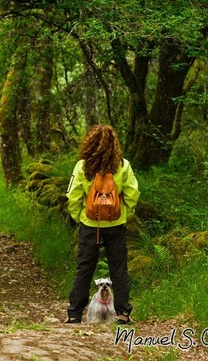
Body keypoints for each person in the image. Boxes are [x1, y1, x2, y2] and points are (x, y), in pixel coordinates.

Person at [65, 124, 140, 324]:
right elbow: (132, 194)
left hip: (90, 224)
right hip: (116, 225)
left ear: (89, 144)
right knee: (119, 268)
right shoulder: (123, 166)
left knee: (84, 267)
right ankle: (123, 313)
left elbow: (73, 195)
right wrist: (125, 214)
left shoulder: (82, 166)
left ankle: (74, 313)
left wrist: (79, 217)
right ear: (115, 145)